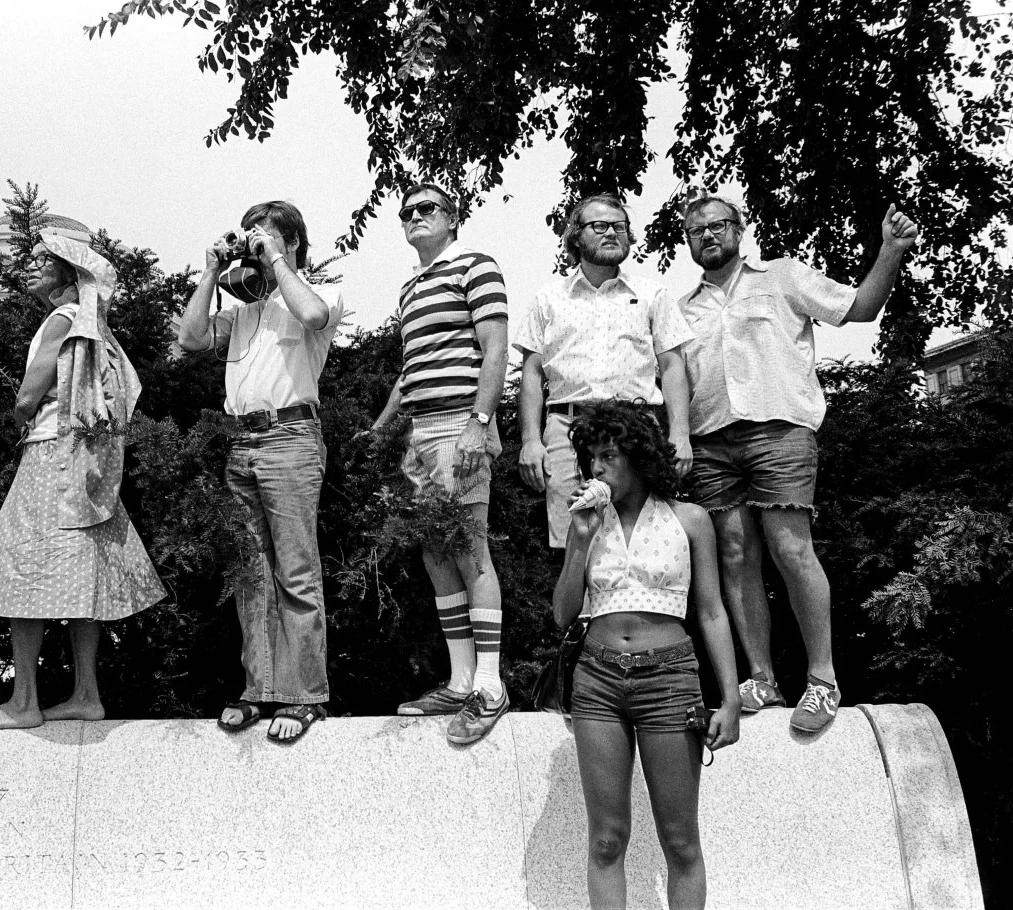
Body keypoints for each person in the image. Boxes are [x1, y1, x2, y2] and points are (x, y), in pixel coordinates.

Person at [678, 195, 919, 732]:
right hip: (710, 442)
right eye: (697, 231)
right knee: (735, 557)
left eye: (719, 225)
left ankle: (823, 679)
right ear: (689, 242)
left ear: (740, 229)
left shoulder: (782, 276)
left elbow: (860, 308)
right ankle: (761, 679)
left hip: (780, 430)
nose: (709, 235)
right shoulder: (681, 308)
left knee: (790, 548)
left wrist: (890, 249)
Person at [0, 231, 165, 730]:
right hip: (87, 458)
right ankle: (86, 695)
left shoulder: (60, 319)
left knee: (23, 570)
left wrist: (20, 416)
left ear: (68, 275)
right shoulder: (94, 324)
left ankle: (24, 702)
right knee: (82, 573)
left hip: (50, 453)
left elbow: (28, 395)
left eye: (42, 262)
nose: (32, 267)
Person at [552, 400, 741, 910]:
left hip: (670, 680)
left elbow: (711, 612)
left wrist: (730, 699)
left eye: (608, 456)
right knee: (606, 839)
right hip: (597, 680)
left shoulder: (690, 519)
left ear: (638, 456)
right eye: (591, 458)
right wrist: (579, 542)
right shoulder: (588, 522)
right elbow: (563, 615)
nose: (596, 468)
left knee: (680, 842)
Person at [177, 200, 343, 743]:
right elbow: (190, 339)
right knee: (250, 575)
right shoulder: (244, 311)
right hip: (241, 442)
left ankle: (305, 695)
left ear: (292, 242)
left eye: (265, 237)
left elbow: (313, 317)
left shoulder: (317, 294)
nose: (254, 248)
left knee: (296, 572)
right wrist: (211, 271)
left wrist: (274, 259)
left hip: (291, 438)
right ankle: (260, 689)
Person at [368, 183, 510, 745]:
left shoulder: (476, 265)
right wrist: (381, 428)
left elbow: (495, 348)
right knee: (435, 552)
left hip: (460, 423)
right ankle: (460, 680)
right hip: (420, 432)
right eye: (406, 212)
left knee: (471, 547)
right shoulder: (410, 287)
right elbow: (412, 369)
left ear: (453, 218)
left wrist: (479, 422)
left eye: (426, 208)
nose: (414, 217)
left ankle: (490, 686)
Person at [516, 193, 693, 551]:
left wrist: (680, 434)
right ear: (576, 235)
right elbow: (532, 374)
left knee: (642, 539)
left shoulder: (652, 294)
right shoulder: (548, 299)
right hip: (566, 430)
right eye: (599, 226)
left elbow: (673, 367)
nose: (611, 232)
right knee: (574, 542)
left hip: (636, 430)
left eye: (619, 226)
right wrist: (531, 440)